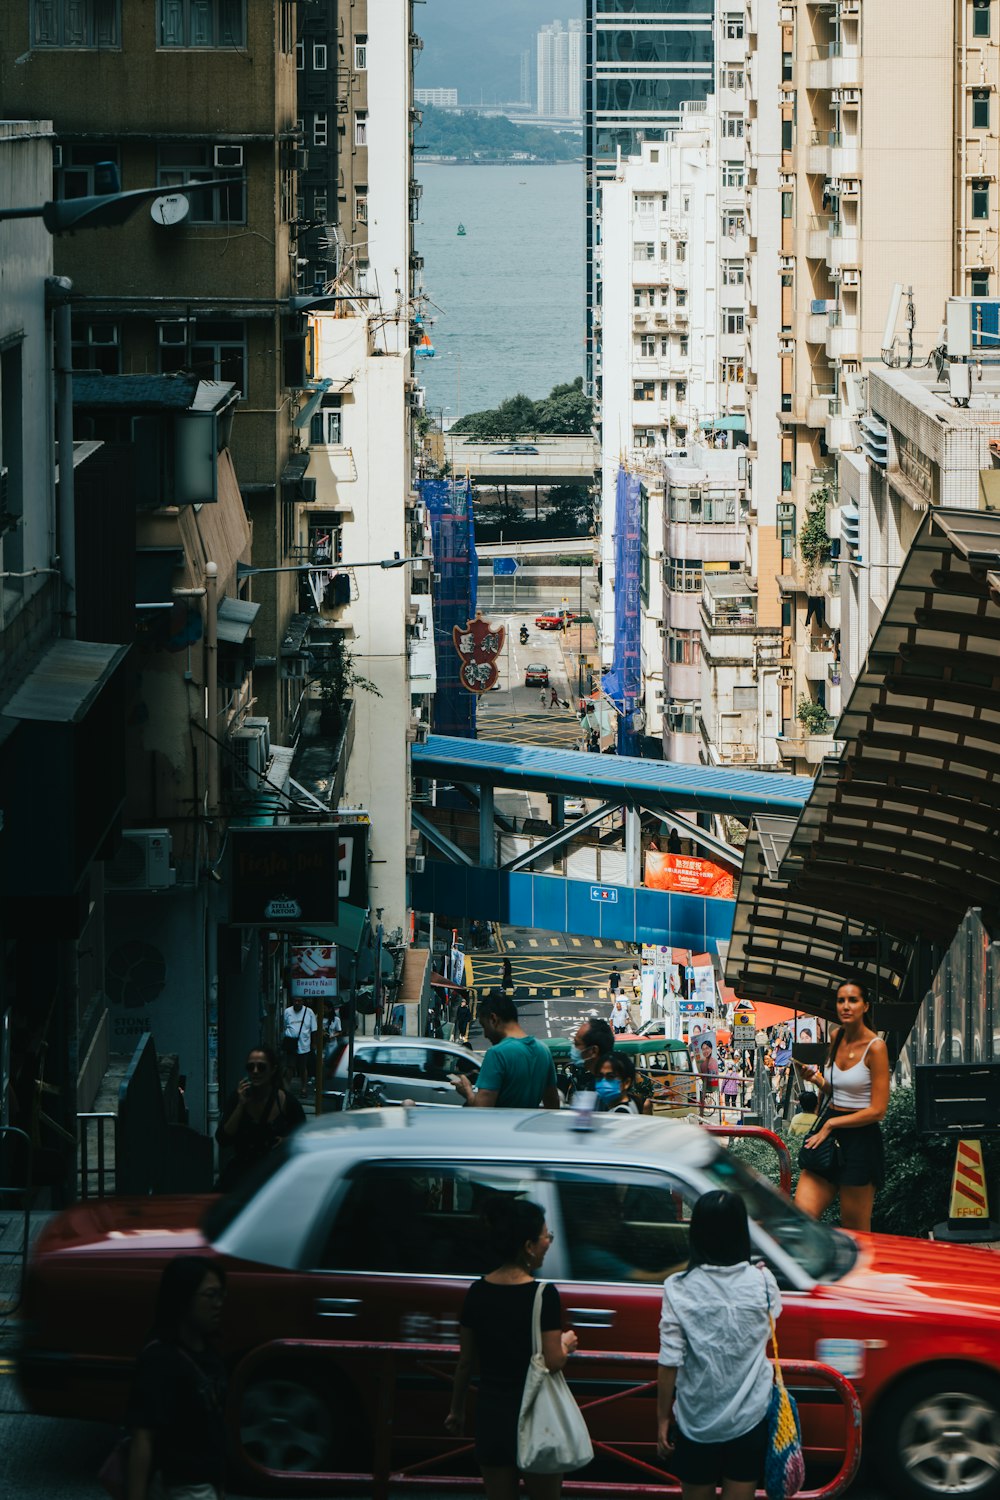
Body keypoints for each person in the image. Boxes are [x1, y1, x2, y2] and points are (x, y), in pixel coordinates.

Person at [446, 1197, 578, 1500]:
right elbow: (553, 1361)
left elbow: (466, 1362)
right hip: (535, 1416)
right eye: (546, 1236)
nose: (549, 1242)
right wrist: (566, 1344)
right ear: (529, 1246)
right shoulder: (544, 1295)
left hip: (492, 1416)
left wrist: (456, 1410)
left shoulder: (477, 1292)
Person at [656, 1192, 781, 1500]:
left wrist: (661, 1418)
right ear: (741, 1231)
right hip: (750, 1416)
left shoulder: (677, 1287)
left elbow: (670, 1359)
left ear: (696, 1231)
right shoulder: (764, 1282)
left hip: (696, 1419)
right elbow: (769, 1327)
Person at [125, 1256, 228, 1500]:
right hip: (183, 1487)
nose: (218, 1304)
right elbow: (144, 1437)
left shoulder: (207, 1351)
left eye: (221, 1295)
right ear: (184, 1298)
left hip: (207, 1484)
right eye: (210, 1295)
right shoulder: (161, 1359)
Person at [795, 980, 889, 1232]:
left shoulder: (876, 1047)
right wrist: (815, 1079)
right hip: (829, 1136)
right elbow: (838, 1092)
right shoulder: (836, 1037)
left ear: (865, 1006)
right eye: (841, 1000)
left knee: (856, 1232)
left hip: (860, 1140)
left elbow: (878, 1110)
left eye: (853, 1000)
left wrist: (832, 1124)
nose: (846, 1006)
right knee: (800, 1220)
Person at [215, 1045, 305, 1191]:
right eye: (251, 1067)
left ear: (273, 1069)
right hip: (242, 1178)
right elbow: (223, 1138)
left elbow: (304, 1137)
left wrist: (286, 1141)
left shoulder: (286, 1102)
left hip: (274, 1178)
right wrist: (241, 1105)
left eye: (261, 1067)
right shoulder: (237, 1098)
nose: (255, 1072)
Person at [452, 993, 560, 1108]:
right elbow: (552, 1102)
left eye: (484, 1026)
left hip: (501, 1125)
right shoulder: (543, 1051)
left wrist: (467, 1091)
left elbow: (482, 1109)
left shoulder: (497, 1053)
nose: (485, 1035)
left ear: (493, 1019)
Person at [281, 997, 317, 1090]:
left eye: (299, 1001)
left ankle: (303, 1088)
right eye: (295, 1001)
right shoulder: (287, 1011)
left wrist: (313, 1043)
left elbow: (313, 1030)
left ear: (303, 1002)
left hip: (304, 1044)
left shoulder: (309, 1012)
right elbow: (285, 1026)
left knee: (302, 1067)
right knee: (290, 1066)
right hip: (291, 1043)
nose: (297, 1003)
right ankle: (287, 1088)